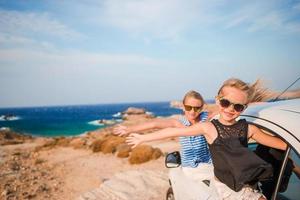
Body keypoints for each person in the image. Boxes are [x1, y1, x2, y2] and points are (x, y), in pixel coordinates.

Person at [126, 78, 287, 200]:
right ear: (218, 101)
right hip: (229, 189)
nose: (231, 109)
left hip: (249, 184)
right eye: (225, 103)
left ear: (244, 108)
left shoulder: (249, 129)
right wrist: (143, 138)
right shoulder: (208, 127)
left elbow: (283, 145)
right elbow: (170, 131)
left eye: (237, 107)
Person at [114, 91, 215, 199]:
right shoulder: (179, 122)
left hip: (207, 168)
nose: (192, 111)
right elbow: (155, 124)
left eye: (197, 108)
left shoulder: (206, 118)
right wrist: (130, 129)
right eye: (188, 107)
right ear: (183, 107)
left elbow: (225, 111)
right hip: (188, 170)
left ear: (202, 107)